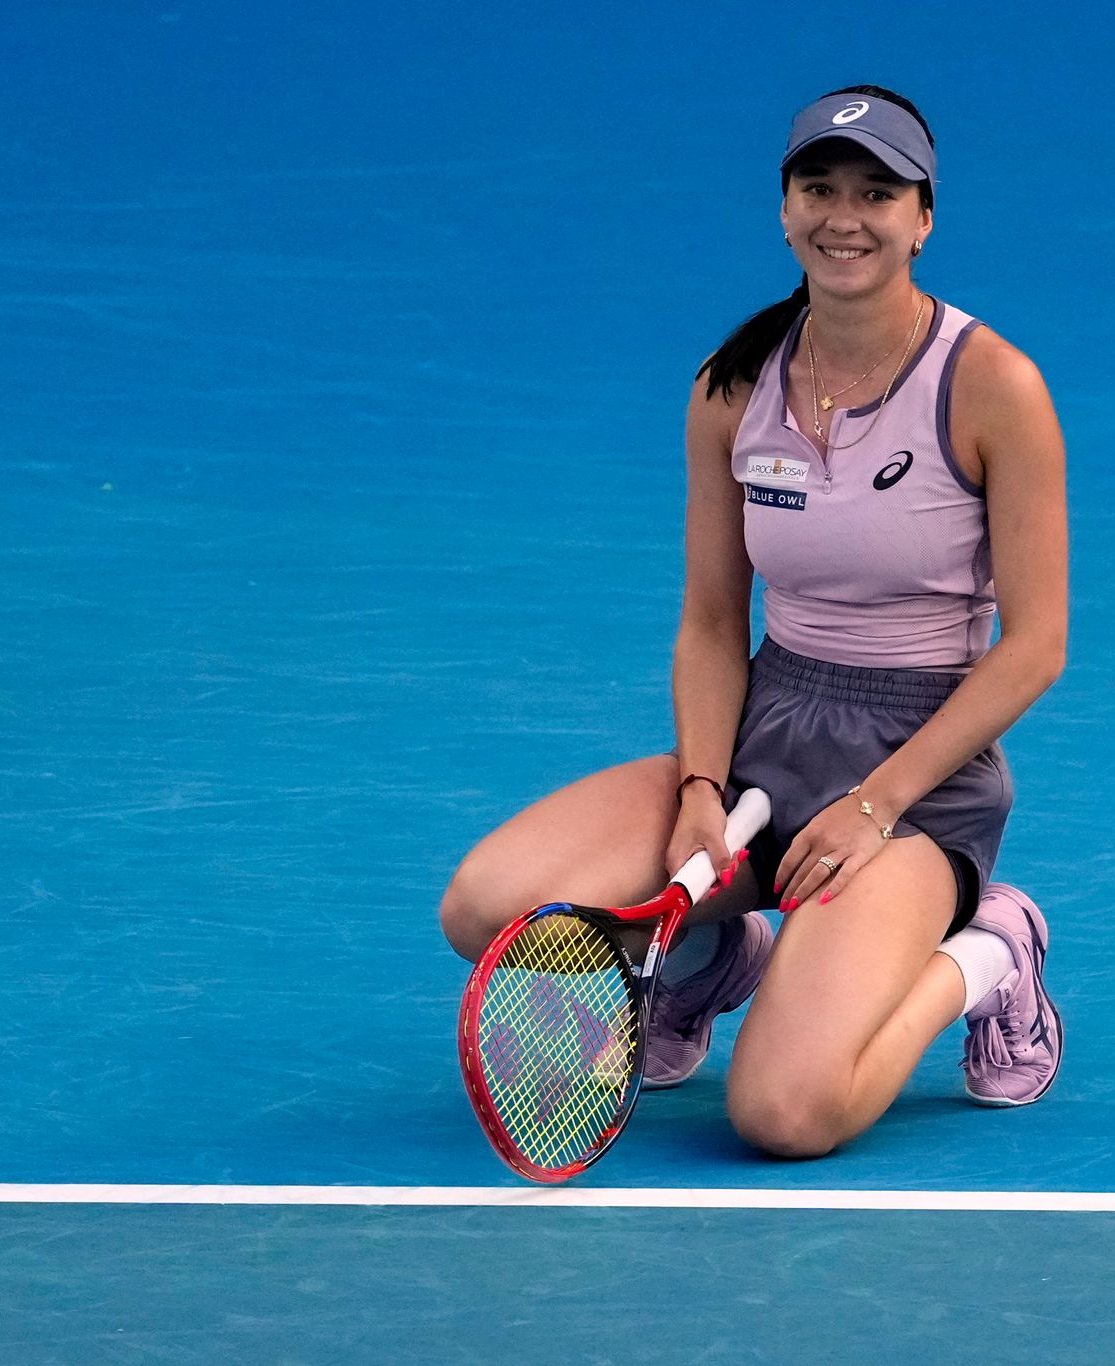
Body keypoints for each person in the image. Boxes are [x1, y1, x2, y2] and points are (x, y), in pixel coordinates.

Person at [439, 85, 1067, 1158]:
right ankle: (709, 960)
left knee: (783, 1113)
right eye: (817, 188)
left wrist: (874, 806)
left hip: (917, 782)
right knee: (487, 908)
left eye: (877, 193)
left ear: (922, 217)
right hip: (759, 749)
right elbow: (711, 620)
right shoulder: (733, 387)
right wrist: (696, 786)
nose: (844, 216)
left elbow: (1034, 646)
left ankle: (988, 955)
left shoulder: (992, 386)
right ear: (782, 209)